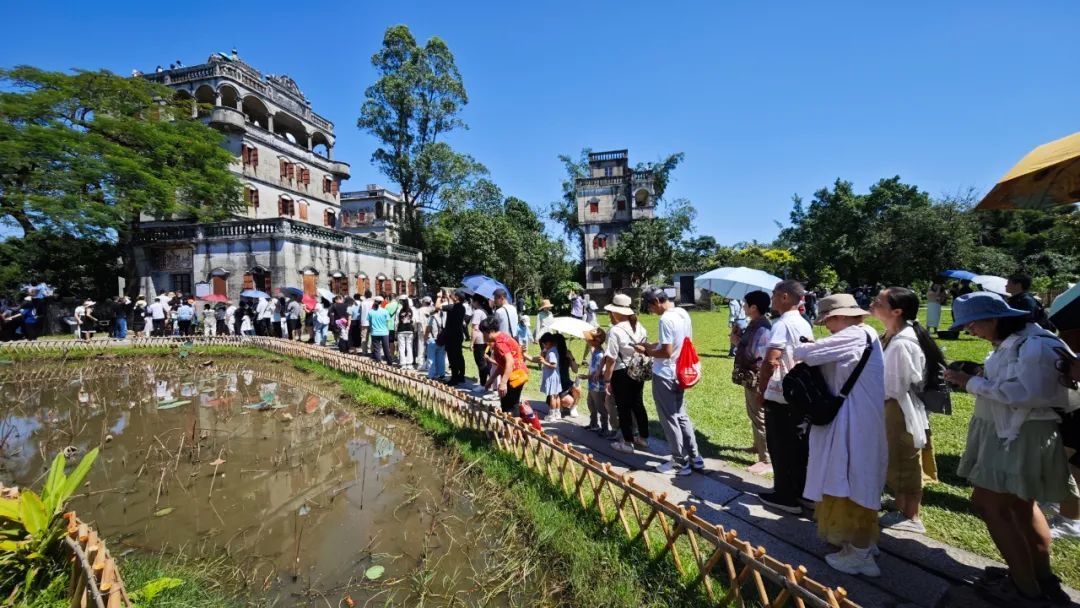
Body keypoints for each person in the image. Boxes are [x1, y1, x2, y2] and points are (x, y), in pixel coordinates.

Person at [944, 292, 1073, 605]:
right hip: (1010, 430)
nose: (970, 331)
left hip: (1019, 434)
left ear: (993, 318)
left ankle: (1024, 586)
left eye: (972, 324)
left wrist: (969, 381)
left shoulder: (1036, 346)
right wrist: (979, 374)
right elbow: (1015, 381)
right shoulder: (1017, 342)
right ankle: (1037, 577)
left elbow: (1031, 394)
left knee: (991, 505)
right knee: (1020, 506)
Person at [793, 294, 886, 578]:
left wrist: (807, 347)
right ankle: (857, 546)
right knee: (845, 481)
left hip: (855, 423)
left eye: (828, 321)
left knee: (853, 485)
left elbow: (805, 354)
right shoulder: (862, 335)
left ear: (840, 317)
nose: (828, 328)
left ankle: (861, 553)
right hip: (853, 419)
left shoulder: (856, 335)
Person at [872, 287, 943, 535]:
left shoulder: (903, 343)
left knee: (905, 458)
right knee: (896, 456)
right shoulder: (894, 335)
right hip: (894, 405)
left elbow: (892, 386)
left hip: (898, 407)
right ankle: (901, 503)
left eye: (879, 301)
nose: (873, 303)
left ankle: (911, 515)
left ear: (897, 311)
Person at [757, 280, 815, 514]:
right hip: (800, 391)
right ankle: (803, 492)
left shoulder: (781, 324)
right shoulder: (803, 323)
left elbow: (772, 360)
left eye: (773, 295)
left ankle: (785, 495)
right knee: (799, 445)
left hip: (781, 392)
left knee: (780, 444)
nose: (771, 299)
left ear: (784, 297)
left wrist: (762, 390)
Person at [640, 287, 705, 476]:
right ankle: (695, 457)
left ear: (656, 302)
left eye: (649, 307)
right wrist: (651, 346)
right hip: (680, 371)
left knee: (669, 418)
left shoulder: (665, 319)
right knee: (681, 415)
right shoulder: (682, 313)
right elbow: (676, 343)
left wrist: (647, 352)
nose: (651, 311)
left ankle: (678, 462)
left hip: (666, 374)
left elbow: (666, 352)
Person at [732, 290, 773, 475]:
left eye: (745, 303)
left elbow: (757, 355)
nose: (743, 306)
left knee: (759, 417)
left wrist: (737, 342)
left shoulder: (762, 327)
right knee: (753, 413)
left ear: (754, 307)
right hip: (751, 378)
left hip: (757, 378)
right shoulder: (754, 324)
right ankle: (757, 446)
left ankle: (766, 459)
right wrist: (740, 336)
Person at [603, 293, 649, 454]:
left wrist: (607, 380)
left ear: (616, 312)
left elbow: (611, 358)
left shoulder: (615, 331)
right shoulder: (641, 327)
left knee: (623, 407)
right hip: (638, 369)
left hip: (621, 372)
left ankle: (627, 442)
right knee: (638, 404)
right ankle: (642, 437)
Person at [480, 315, 529, 414]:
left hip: (514, 376)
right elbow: (502, 364)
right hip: (518, 374)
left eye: (483, 333)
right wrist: (491, 379)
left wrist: (503, 383)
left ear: (490, 331)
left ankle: (513, 428)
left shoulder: (500, 343)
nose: (483, 336)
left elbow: (509, 362)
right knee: (507, 404)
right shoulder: (503, 336)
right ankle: (511, 427)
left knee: (510, 407)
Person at [584, 328, 611, 434]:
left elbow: (602, 372)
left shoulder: (600, 355)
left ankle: (605, 428)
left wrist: (588, 377)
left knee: (600, 408)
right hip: (592, 385)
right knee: (591, 404)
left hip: (598, 386)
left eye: (589, 339)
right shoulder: (594, 351)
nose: (586, 340)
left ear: (597, 341)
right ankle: (593, 424)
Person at [442, 290, 468, 385]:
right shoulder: (462, 308)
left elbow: (437, 307)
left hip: (451, 335)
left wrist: (438, 297)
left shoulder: (451, 307)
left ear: (456, 297)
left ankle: (454, 378)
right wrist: (449, 298)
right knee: (459, 355)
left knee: (452, 357)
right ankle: (461, 376)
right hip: (458, 334)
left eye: (453, 295)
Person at [538, 332, 564, 421]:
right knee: (557, 396)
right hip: (556, 377)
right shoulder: (553, 350)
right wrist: (543, 353)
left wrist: (544, 362)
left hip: (552, 377)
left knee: (552, 396)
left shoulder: (551, 352)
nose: (544, 346)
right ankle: (557, 413)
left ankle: (552, 414)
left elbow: (554, 365)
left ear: (549, 342)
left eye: (544, 344)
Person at [426, 297, 447, 380]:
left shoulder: (433, 316)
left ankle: (431, 375)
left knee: (431, 358)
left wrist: (425, 337)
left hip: (433, 339)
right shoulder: (445, 315)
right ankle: (441, 374)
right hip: (442, 339)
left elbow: (428, 328)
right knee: (441, 357)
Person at [368, 296, 391, 363]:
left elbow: (370, 323)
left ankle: (378, 361)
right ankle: (389, 361)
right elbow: (387, 322)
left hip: (374, 332)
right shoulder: (385, 311)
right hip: (384, 332)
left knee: (377, 348)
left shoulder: (370, 312)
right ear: (382, 302)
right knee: (386, 348)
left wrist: (371, 330)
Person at [396, 296, 415, 367]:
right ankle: (410, 364)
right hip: (409, 330)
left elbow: (397, 321)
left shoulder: (399, 310)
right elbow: (414, 320)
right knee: (409, 347)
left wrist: (396, 330)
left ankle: (403, 363)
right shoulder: (411, 310)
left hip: (401, 330)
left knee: (401, 347)